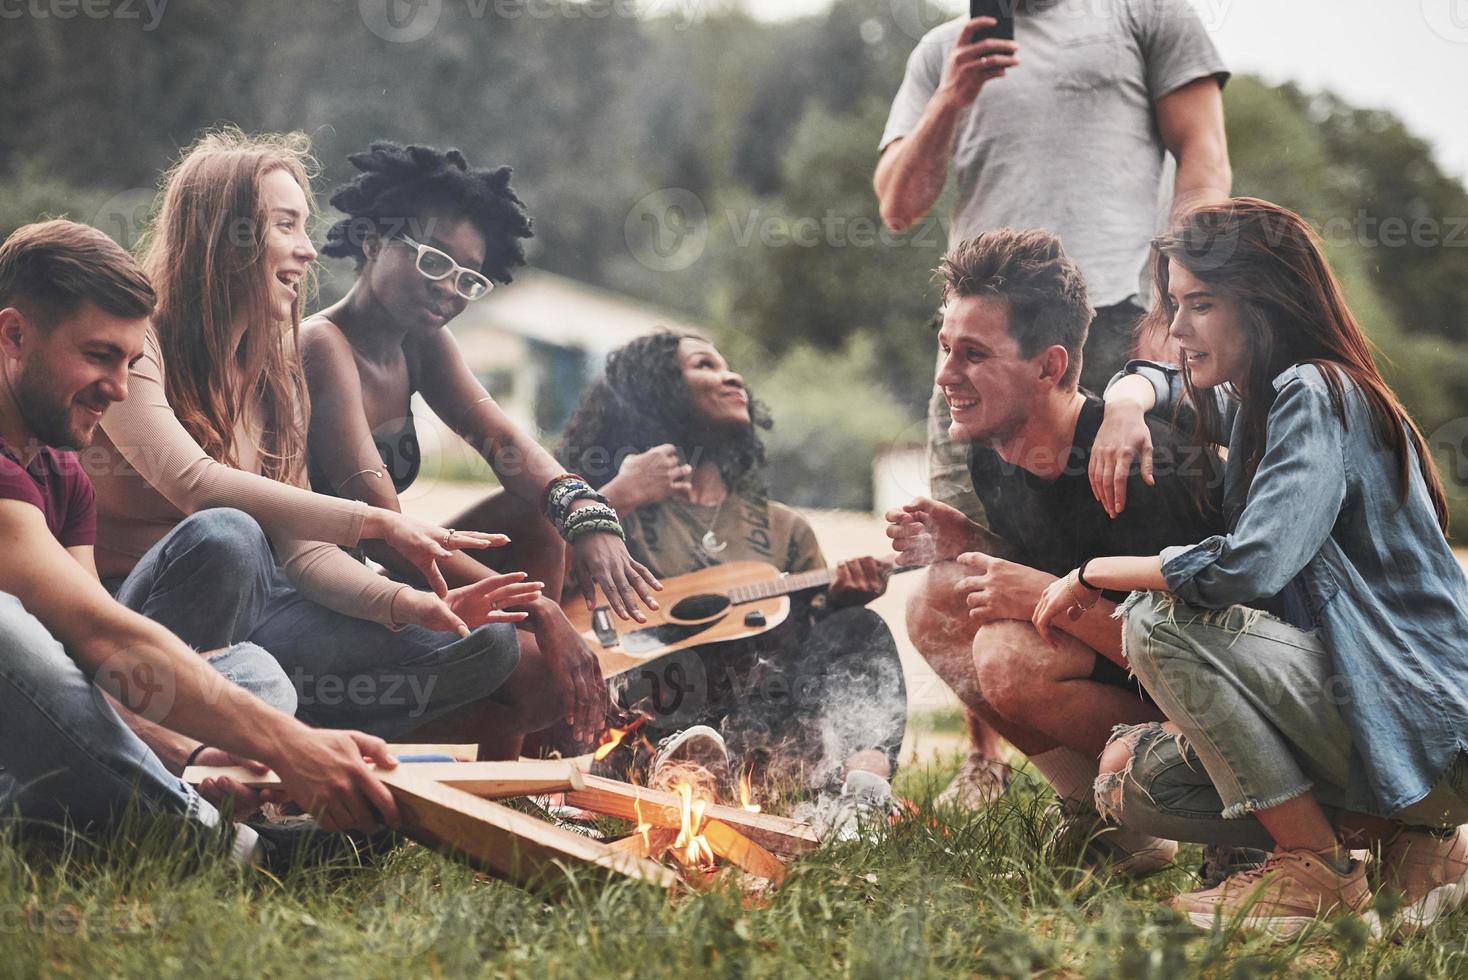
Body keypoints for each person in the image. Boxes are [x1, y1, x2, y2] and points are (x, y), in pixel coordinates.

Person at [1032, 198, 1468, 938]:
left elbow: (1250, 566)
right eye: (1174, 304)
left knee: (1157, 622)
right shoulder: (1268, 397)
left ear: (1264, 303)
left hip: (1421, 724)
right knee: (1135, 778)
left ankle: (1315, 872)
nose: (1179, 328)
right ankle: (1421, 852)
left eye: (1200, 304)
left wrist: (1096, 571)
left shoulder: (1314, 391)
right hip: (1400, 732)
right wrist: (1130, 398)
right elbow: (1174, 380)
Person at [90, 130, 599, 759]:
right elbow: (192, 483)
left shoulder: (277, 370)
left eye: (306, 227)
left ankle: (319, 745)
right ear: (223, 235)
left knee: (483, 641)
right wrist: (377, 524)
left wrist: (411, 604)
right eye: (284, 226)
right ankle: (204, 744)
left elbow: (304, 554)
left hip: (262, 610)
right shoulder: (139, 344)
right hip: (134, 613)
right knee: (229, 534)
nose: (307, 250)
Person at [875, 0, 1232, 797]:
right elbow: (899, 205)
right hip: (988, 332)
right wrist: (953, 96)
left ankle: (1204, 775)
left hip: (1118, 314)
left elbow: (1205, 158)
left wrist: (1175, 315)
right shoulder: (944, 50)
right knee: (960, 571)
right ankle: (1024, 774)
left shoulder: (1144, 17)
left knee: (1135, 548)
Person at [0, 218, 401, 865]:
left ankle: (125, 806)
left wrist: (197, 749)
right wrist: (288, 745)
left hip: (49, 740)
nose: (120, 388)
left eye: (131, 362)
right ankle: (239, 852)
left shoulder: (63, 473)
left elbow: (92, 661)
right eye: (100, 355)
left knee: (251, 672)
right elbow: (101, 630)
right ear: (14, 333)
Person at [889, 228, 1230, 873]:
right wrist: (971, 542)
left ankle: (1215, 819)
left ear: (1048, 366)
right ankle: (1106, 822)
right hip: (1131, 670)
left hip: (1222, 709)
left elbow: (1205, 661)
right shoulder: (995, 450)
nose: (945, 376)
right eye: (944, 349)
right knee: (938, 597)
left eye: (973, 355)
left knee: (1008, 655)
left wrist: (1050, 603)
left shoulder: (1140, 465)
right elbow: (1059, 571)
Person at [558, 332, 907, 830]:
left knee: (859, 628)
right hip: (656, 719)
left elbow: (811, 650)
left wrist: (836, 604)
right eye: (705, 365)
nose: (732, 376)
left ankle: (862, 798)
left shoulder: (784, 528)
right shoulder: (621, 509)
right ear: (658, 391)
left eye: (729, 366)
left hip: (765, 729)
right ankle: (671, 773)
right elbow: (547, 587)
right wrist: (617, 495)